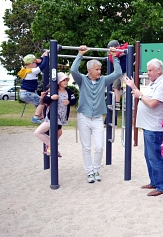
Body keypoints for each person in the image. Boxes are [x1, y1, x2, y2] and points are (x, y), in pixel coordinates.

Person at [71, 45, 122, 183]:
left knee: (99, 146)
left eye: (100, 69)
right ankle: (89, 172)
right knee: (86, 147)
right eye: (97, 69)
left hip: (98, 118)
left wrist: (114, 57)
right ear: (89, 70)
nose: (99, 71)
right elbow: (73, 70)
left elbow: (118, 73)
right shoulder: (82, 80)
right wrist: (80, 55)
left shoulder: (103, 80)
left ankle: (96, 169)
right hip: (84, 117)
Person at [123, 58, 163, 197]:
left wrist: (140, 95)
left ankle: (161, 186)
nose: (147, 73)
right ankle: (154, 182)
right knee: (149, 156)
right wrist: (133, 87)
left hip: (155, 127)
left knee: (154, 157)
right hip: (148, 126)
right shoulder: (154, 83)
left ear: (159, 70)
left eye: (150, 70)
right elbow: (144, 97)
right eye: (147, 70)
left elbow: (152, 103)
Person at [34, 72, 77, 157]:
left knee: (57, 133)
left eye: (66, 80)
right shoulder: (54, 90)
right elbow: (45, 100)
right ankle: (53, 147)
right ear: (58, 82)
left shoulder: (68, 91)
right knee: (38, 132)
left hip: (62, 117)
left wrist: (69, 102)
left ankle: (52, 148)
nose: (65, 82)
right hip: (52, 117)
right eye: (63, 80)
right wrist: (51, 98)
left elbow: (74, 100)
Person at [18, 50, 49, 124]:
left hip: (24, 93)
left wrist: (42, 56)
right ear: (31, 64)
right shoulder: (31, 71)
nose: (37, 63)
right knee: (43, 101)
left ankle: (41, 118)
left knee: (38, 104)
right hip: (27, 93)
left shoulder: (26, 70)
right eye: (35, 62)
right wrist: (46, 56)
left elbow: (40, 62)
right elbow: (43, 65)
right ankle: (35, 118)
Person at [107, 40, 128, 111]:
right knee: (115, 87)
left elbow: (119, 53)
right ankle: (117, 104)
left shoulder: (124, 50)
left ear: (116, 47)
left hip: (125, 72)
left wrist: (114, 53)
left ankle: (126, 103)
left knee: (125, 87)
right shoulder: (116, 51)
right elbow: (112, 58)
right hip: (118, 72)